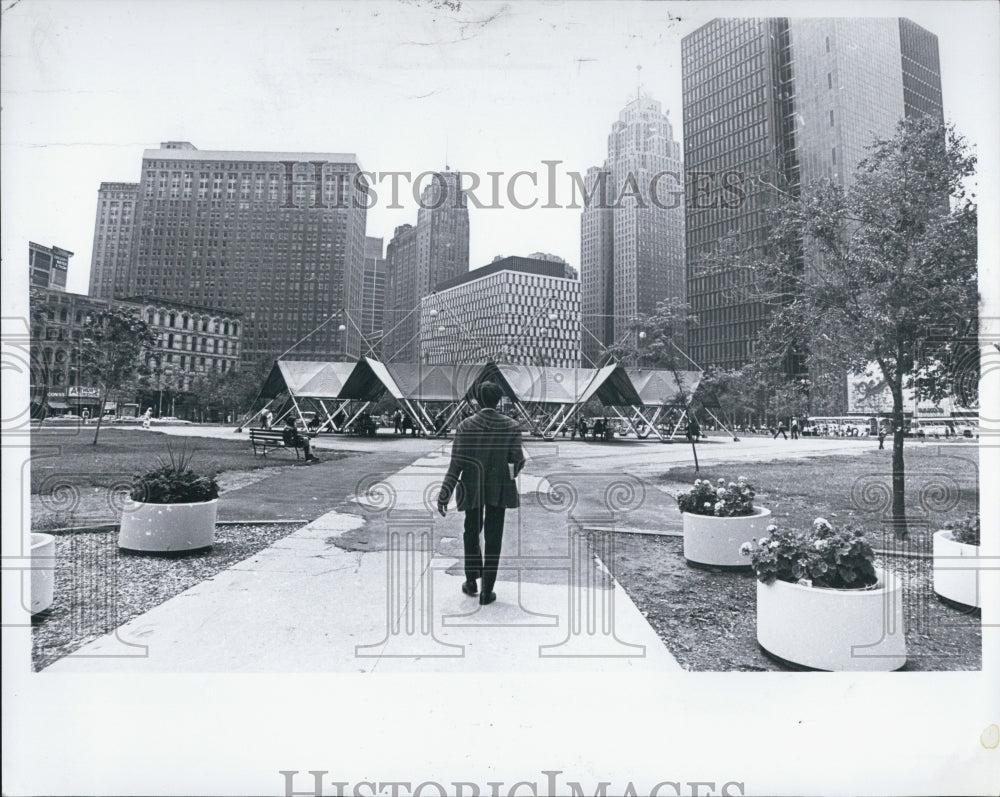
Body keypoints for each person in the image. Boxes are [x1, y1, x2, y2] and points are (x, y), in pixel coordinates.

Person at [437, 382, 525, 606]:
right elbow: (517, 460)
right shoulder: (512, 426)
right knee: (494, 537)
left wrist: (445, 493)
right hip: (499, 489)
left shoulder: (465, 426)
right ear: (498, 400)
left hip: (471, 487)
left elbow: (456, 464)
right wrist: (508, 474)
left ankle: (471, 580)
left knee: (471, 532)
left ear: (477, 400)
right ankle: (487, 590)